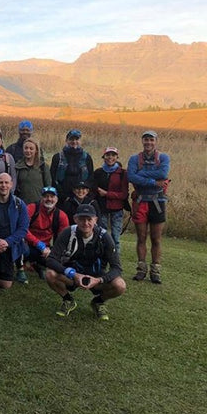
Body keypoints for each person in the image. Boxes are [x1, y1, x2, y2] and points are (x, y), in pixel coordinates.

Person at [45, 204, 126, 321]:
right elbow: (51, 259)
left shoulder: (104, 237)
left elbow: (117, 268)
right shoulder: (68, 233)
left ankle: (98, 302)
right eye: (82, 219)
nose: (86, 223)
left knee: (120, 285)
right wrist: (73, 274)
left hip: (96, 276)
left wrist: (99, 280)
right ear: (75, 219)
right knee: (50, 274)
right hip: (72, 275)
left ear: (96, 220)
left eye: (89, 219)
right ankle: (68, 300)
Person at [127, 130, 171, 284]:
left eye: (151, 140)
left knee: (156, 238)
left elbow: (163, 173)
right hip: (140, 202)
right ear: (142, 141)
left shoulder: (163, 158)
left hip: (158, 202)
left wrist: (142, 174)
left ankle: (155, 271)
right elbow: (131, 177)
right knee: (141, 237)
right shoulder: (134, 158)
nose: (148, 143)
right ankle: (141, 269)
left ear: (156, 141)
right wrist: (154, 181)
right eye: (146, 140)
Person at [23, 186, 69, 280]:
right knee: (23, 250)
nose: (49, 199)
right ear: (41, 198)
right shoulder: (31, 208)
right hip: (28, 244)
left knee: (61, 260)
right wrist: (39, 244)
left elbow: (64, 238)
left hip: (46, 249)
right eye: (46, 196)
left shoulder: (61, 215)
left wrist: (54, 251)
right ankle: (23, 265)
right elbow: (23, 229)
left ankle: (38, 265)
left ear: (56, 199)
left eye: (52, 197)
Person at [93, 146, 129, 254]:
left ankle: (115, 261)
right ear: (104, 157)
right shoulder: (98, 172)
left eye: (113, 155)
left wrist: (107, 194)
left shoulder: (122, 173)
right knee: (102, 235)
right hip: (102, 208)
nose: (110, 158)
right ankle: (103, 259)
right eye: (108, 155)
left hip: (117, 209)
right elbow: (94, 189)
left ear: (117, 157)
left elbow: (124, 194)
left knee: (115, 237)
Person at [50, 128, 94, 203]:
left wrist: (86, 195)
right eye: (71, 139)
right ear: (66, 140)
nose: (74, 142)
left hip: (81, 197)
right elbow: (53, 178)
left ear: (80, 141)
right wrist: (62, 196)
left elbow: (90, 177)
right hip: (62, 198)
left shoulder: (87, 158)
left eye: (77, 139)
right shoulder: (58, 157)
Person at [14, 137, 51, 204]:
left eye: (31, 149)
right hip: (22, 205)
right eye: (26, 148)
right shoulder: (18, 167)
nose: (28, 151)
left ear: (36, 150)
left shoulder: (43, 166)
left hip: (39, 205)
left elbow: (48, 187)